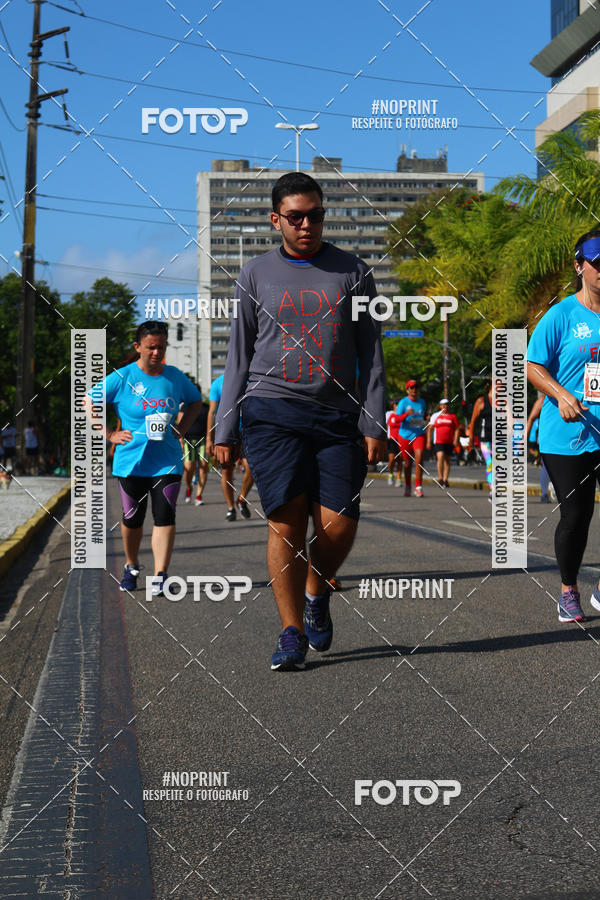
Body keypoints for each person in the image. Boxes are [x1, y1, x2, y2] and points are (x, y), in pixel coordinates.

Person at [213, 171, 386, 670]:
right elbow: (237, 358)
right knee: (286, 523)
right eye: (295, 216)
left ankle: (316, 589)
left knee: (339, 526)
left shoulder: (353, 272)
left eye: (315, 214)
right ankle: (290, 631)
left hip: (337, 415)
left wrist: (374, 422)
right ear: (276, 220)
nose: (306, 223)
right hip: (272, 411)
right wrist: (225, 430)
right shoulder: (254, 274)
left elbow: (371, 352)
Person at [90, 320, 203, 595]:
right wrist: (109, 435)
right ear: (137, 346)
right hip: (130, 462)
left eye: (161, 347)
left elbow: (196, 401)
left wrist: (183, 428)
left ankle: (160, 575)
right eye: (151, 347)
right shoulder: (122, 377)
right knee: (132, 519)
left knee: (165, 515)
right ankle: (131, 565)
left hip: (167, 460)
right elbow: (87, 401)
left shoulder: (175, 377)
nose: (156, 352)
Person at [526, 228, 600, 623]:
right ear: (579, 266)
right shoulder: (561, 315)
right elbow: (533, 365)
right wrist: (560, 394)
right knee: (577, 516)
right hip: (567, 435)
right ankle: (568, 589)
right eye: (597, 264)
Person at [393, 380, 428, 497]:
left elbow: (423, 415)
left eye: (416, 387)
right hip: (405, 435)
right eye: (412, 387)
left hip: (418, 433)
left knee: (419, 457)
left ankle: (418, 487)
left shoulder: (422, 402)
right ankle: (408, 486)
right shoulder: (403, 402)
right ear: (407, 389)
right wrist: (406, 414)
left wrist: (426, 418)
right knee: (407, 463)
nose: (414, 390)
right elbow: (396, 419)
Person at [179, 396, 209, 506]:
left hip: (203, 440)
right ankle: (189, 487)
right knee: (189, 467)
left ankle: (199, 495)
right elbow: (180, 425)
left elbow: (210, 424)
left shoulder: (206, 407)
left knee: (203, 466)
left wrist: (211, 441)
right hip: (188, 441)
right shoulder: (185, 407)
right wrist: (181, 442)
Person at [526, 392, 554, 503]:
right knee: (546, 465)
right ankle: (544, 494)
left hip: (564, 437)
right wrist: (525, 439)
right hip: (547, 438)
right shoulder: (542, 401)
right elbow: (531, 419)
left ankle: (555, 486)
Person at [468, 380, 494, 496]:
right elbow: (473, 421)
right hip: (485, 438)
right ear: (490, 385)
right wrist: (471, 439)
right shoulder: (481, 401)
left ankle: (496, 488)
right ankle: (493, 490)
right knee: (490, 463)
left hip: (500, 438)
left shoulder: (504, 400)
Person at [427, 398, 459, 488]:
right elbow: (430, 429)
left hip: (449, 442)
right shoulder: (435, 416)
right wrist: (428, 441)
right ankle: (440, 478)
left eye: (447, 405)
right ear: (440, 406)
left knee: (447, 461)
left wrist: (456, 440)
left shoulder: (452, 416)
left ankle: (445, 480)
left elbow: (456, 429)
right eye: (443, 405)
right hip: (439, 441)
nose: (445, 406)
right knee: (440, 457)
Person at [385, 398, 402, 486]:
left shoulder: (403, 415)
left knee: (400, 460)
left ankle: (399, 478)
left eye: (399, 404)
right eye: (396, 404)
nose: (397, 406)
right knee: (392, 459)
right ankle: (391, 475)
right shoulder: (389, 414)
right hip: (391, 440)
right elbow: (383, 425)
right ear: (393, 405)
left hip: (401, 440)